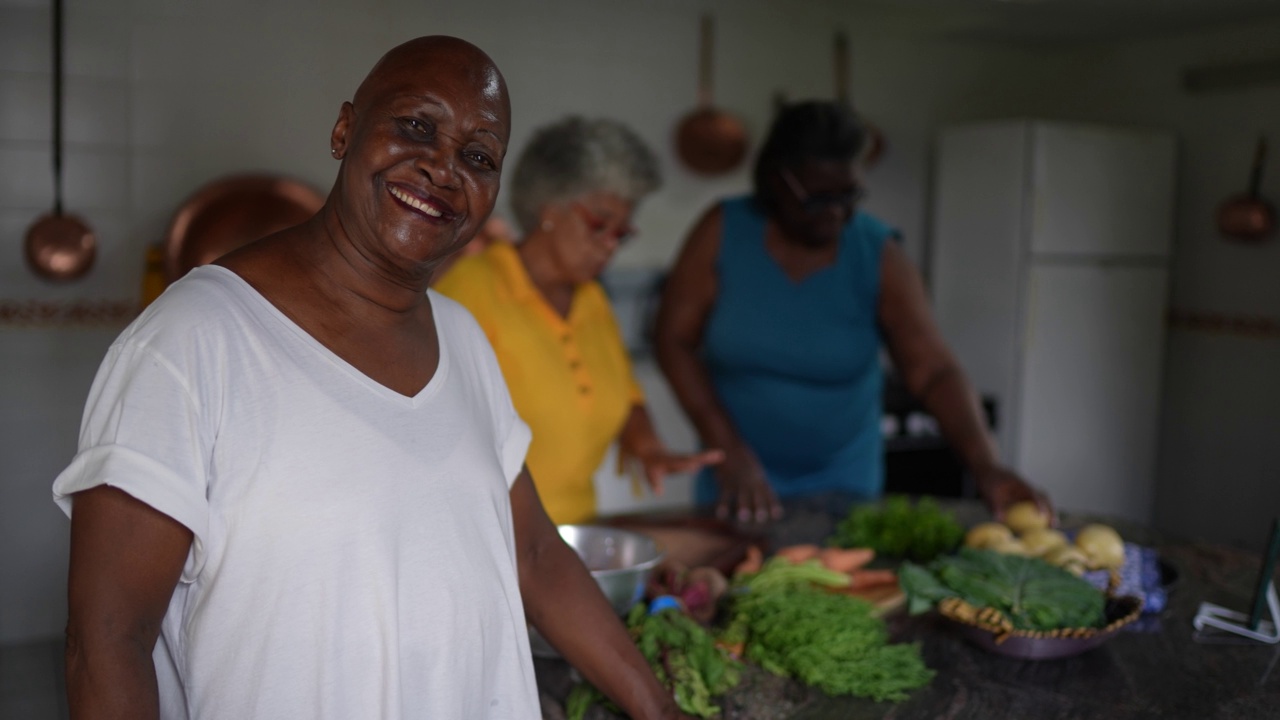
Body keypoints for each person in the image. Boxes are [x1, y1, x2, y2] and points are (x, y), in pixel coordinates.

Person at [53, 36, 691, 720]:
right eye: (417, 126)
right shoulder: (190, 342)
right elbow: (108, 643)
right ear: (344, 129)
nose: (444, 168)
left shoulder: (463, 341)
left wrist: (658, 709)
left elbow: (533, 552)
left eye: (478, 157)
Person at [654, 100, 1050, 524]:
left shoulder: (879, 253)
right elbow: (673, 340)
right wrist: (728, 450)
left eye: (849, 196)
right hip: (737, 477)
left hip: (844, 484)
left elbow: (932, 370)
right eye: (817, 198)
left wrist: (987, 465)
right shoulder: (722, 230)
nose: (836, 213)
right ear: (776, 180)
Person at [435, 116, 721, 525]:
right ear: (549, 208)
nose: (609, 246)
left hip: (572, 530)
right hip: (485, 533)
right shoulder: (471, 292)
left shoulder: (591, 300)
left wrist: (649, 448)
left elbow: (625, 392)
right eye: (598, 224)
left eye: (621, 233)